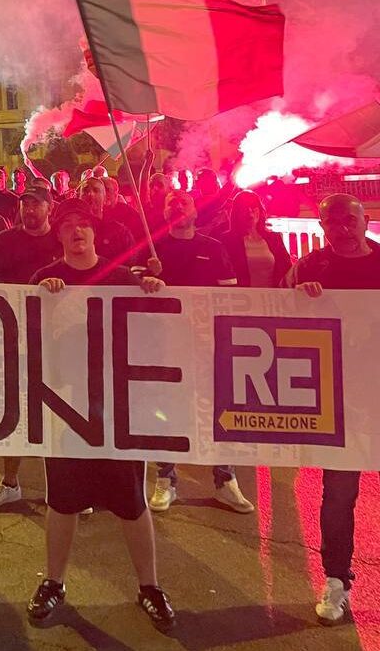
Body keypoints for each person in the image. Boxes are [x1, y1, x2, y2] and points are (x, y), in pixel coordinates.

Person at [26, 198, 175, 632]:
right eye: (68, 226)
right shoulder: (43, 279)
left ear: (95, 233)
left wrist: (153, 290)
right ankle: (54, 582)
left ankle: (149, 587)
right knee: (63, 500)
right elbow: (29, 332)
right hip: (67, 406)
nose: (77, 232)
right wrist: (43, 297)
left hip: (116, 406)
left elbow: (157, 327)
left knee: (131, 502)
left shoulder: (124, 277)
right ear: (59, 235)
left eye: (84, 226)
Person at [284, 194, 380, 626]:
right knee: (339, 495)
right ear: (322, 225)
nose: (343, 227)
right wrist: (296, 297)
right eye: (334, 221)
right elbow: (273, 316)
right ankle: (337, 580)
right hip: (338, 399)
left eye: (351, 219)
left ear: (365, 220)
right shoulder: (310, 269)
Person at [149, 190, 254, 514]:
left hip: (206, 346)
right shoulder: (151, 250)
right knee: (165, 415)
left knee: (216, 413)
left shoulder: (213, 247)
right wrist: (147, 277)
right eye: (171, 202)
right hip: (163, 347)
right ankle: (166, 479)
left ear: (196, 210)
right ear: (163, 211)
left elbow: (229, 296)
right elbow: (129, 293)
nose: (178, 205)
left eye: (184, 201)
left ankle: (225, 480)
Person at [0, 185, 62, 512]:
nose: (29, 210)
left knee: (57, 413)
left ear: (49, 208)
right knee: (15, 411)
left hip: (57, 340)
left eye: (36, 204)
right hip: (16, 338)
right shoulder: (6, 240)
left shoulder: (61, 242)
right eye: (25, 205)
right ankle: (10, 482)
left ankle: (63, 488)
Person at [220, 190, 292, 287]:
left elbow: (288, 271)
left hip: (272, 298)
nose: (249, 211)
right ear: (237, 213)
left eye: (253, 206)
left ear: (259, 210)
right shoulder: (228, 241)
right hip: (243, 298)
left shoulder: (274, 238)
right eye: (244, 208)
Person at [79, 178, 138, 267]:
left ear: (105, 198)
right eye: (85, 191)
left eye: (96, 190)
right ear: (79, 197)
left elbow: (130, 263)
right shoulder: (73, 230)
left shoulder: (119, 232)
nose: (90, 194)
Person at [193, 168, 230, 238]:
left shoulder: (226, 201)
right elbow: (219, 200)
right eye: (210, 180)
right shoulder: (199, 203)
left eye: (214, 179)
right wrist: (232, 181)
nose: (215, 183)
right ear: (199, 184)